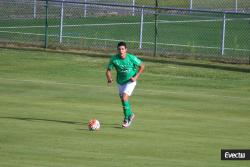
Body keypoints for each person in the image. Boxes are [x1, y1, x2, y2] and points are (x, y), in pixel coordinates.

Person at [106, 42, 144, 128]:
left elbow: (142, 66)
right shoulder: (114, 59)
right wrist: (109, 79)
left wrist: (136, 77)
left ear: (126, 50)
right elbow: (108, 70)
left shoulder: (131, 58)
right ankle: (130, 115)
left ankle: (127, 119)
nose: (121, 51)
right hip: (120, 82)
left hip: (131, 81)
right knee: (123, 100)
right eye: (119, 49)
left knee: (124, 97)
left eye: (123, 49)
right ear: (117, 50)